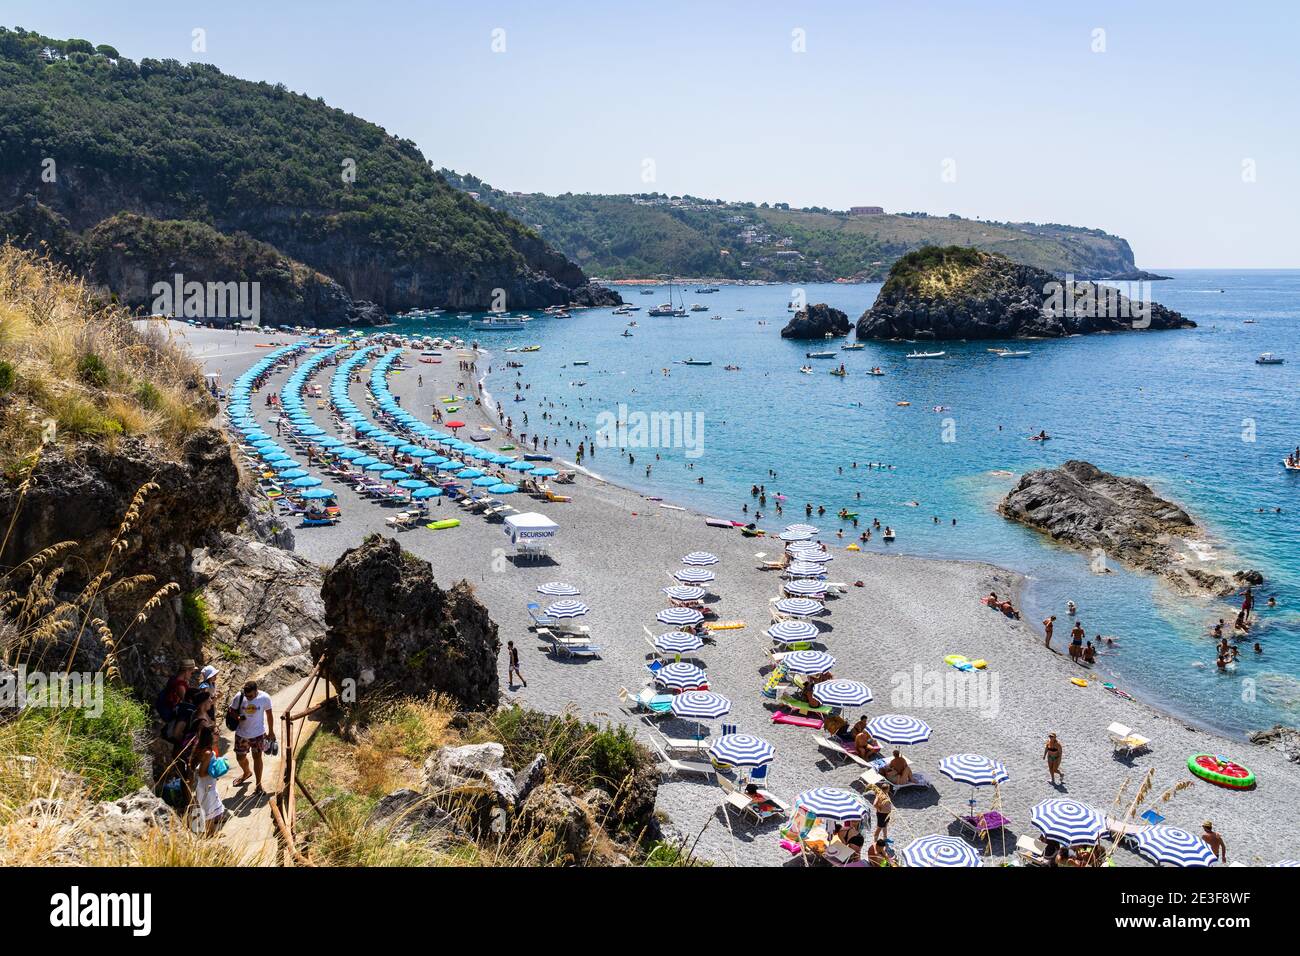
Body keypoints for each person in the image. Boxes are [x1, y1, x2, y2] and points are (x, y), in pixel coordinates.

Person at [227, 680, 276, 794]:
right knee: (240, 758)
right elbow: (231, 710)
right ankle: (247, 772)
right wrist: (238, 717)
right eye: (247, 696)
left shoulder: (265, 698)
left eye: (251, 696)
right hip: (241, 734)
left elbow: (269, 715)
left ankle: (258, 785)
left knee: (257, 758)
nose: (248, 698)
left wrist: (271, 732)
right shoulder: (239, 696)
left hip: (258, 734)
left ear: (256, 691)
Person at [190, 725, 226, 836]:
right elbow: (202, 773)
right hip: (207, 786)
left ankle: (207, 832)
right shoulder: (208, 753)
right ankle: (210, 834)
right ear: (209, 736)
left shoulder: (201, 748)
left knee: (206, 810)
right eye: (215, 733)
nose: (218, 734)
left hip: (204, 786)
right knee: (209, 812)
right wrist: (216, 771)